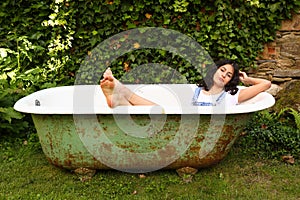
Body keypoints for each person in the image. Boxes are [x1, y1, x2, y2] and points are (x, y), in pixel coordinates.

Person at [100, 59, 271, 108]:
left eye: (228, 75)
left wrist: (247, 80)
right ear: (215, 70)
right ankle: (118, 100)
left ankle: (121, 91)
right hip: (178, 119)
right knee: (157, 109)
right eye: (222, 70)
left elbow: (266, 84)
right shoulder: (196, 90)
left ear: (230, 81)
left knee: (158, 110)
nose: (223, 75)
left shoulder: (232, 97)